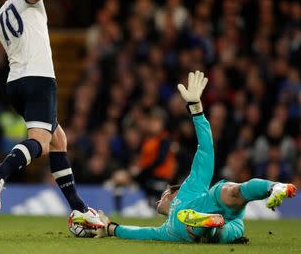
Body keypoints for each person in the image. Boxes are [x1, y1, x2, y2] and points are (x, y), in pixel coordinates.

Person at [0, 0, 103, 227]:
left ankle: (78, 208)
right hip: (39, 79)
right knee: (40, 141)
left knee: (58, 140)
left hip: (15, 85)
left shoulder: (0, 14)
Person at [92, 71, 297, 243]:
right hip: (227, 225)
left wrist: (196, 110)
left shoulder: (191, 187)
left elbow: (206, 149)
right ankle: (211, 225)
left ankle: (273, 188)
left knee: (231, 193)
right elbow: (139, 231)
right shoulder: (164, 229)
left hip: (212, 208)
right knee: (228, 229)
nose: (158, 202)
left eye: (163, 195)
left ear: (173, 193)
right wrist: (110, 228)